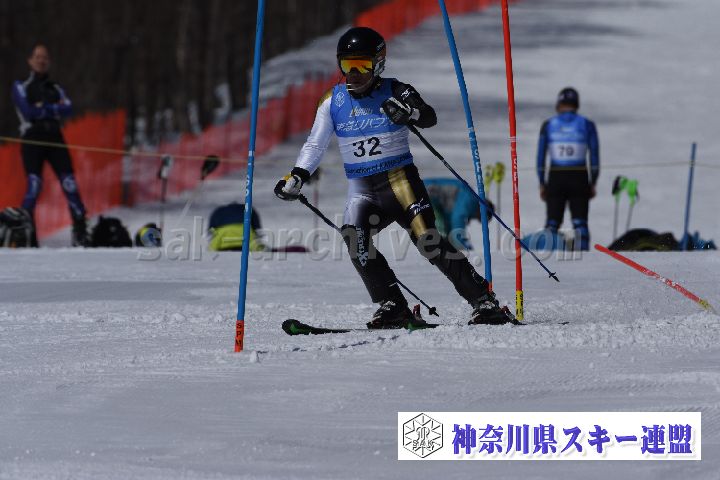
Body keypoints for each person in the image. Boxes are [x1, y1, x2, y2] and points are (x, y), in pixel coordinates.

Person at [274, 27, 514, 328]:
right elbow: (315, 144)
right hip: (362, 190)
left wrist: (410, 115)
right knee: (355, 240)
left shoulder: (397, 90)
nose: (353, 74)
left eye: (362, 65)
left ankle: (484, 302)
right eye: (347, 65)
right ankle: (393, 306)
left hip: (400, 183)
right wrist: (298, 175)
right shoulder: (332, 101)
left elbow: (429, 116)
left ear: (378, 64)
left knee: (427, 240)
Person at [11, 44, 89, 247]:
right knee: (34, 185)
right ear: (30, 60)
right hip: (32, 138)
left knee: (70, 183)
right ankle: (26, 233)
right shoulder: (21, 85)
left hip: (55, 137)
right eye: (37, 57)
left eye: (45, 57)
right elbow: (28, 111)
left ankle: (80, 230)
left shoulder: (56, 88)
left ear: (49, 61)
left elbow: (68, 109)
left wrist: (44, 107)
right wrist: (52, 109)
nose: (41, 60)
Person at [536, 87, 599, 251]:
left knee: (552, 223)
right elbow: (594, 157)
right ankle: (585, 257)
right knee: (580, 223)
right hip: (579, 176)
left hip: (556, 176)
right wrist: (593, 181)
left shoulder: (548, 125)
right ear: (576, 104)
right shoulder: (587, 124)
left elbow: (541, 157)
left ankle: (548, 257)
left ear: (558, 104)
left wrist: (542, 182)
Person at [424, 177, 494, 251]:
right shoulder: (469, 200)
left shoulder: (469, 201)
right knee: (438, 227)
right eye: (480, 218)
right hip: (426, 192)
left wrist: (450, 240)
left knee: (442, 229)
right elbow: (457, 219)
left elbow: (449, 220)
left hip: (430, 196)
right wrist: (461, 245)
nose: (477, 219)